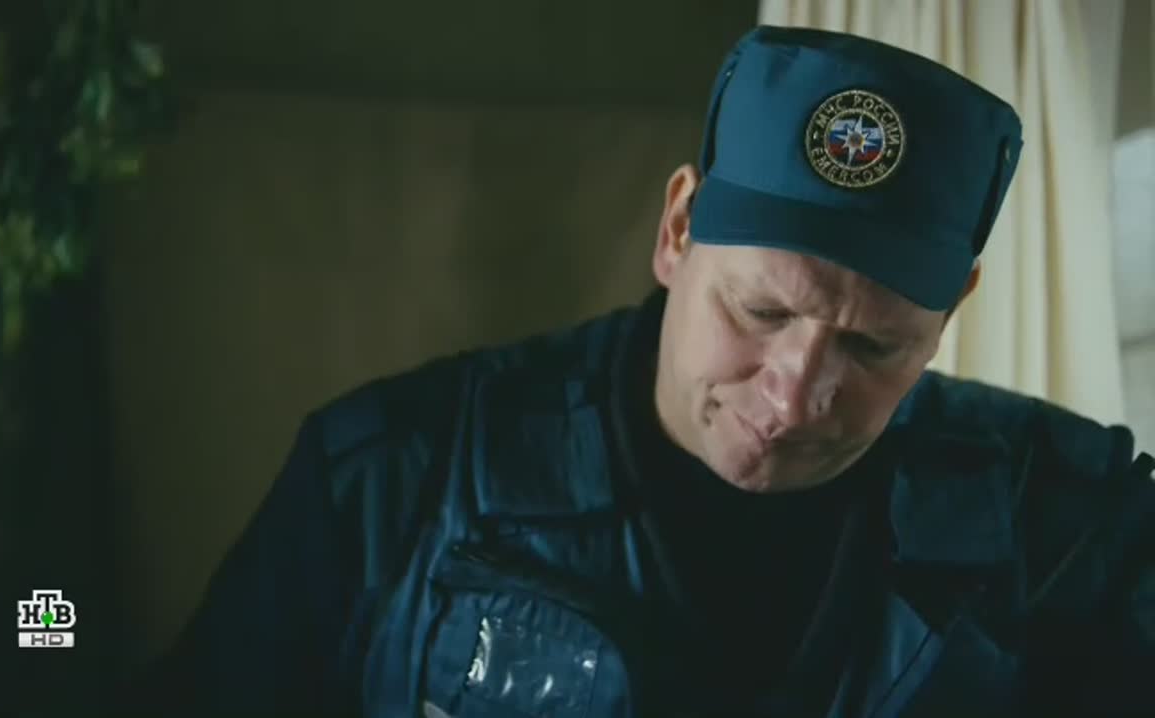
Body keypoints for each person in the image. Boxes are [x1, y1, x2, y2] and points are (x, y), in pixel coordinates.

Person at [129, 26, 1155, 716]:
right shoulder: (389, 483)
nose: (794, 395)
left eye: (870, 346)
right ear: (676, 230)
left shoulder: (1070, 528)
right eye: (758, 312)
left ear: (949, 313)